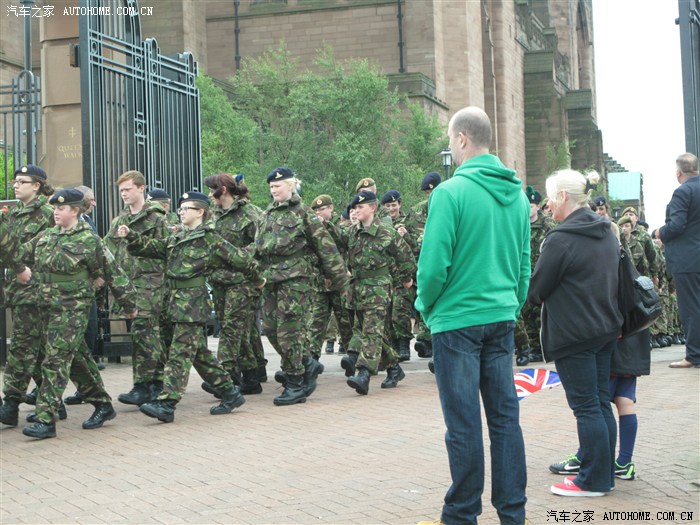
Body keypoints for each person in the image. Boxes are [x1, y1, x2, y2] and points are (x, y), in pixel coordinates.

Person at [415, 107, 530, 525]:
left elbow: (432, 267)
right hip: (500, 317)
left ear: (462, 139)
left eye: (450, 140)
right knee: (505, 420)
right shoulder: (517, 195)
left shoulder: (450, 193)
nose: (450, 146)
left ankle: (462, 515)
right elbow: (523, 265)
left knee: (463, 424)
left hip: (457, 320)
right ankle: (513, 514)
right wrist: (511, 305)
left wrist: (427, 307)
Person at [118, 191, 264, 423]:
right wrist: (131, 236)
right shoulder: (178, 236)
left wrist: (258, 279)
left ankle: (167, 403)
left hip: (192, 304)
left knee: (179, 354)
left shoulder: (210, 238)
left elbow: (240, 259)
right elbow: (154, 248)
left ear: (200, 212)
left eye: (187, 208)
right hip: (173, 301)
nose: (181, 212)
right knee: (198, 354)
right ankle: (229, 392)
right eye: (181, 208)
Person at [528, 169, 622, 497]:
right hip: (605, 329)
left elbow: (537, 291)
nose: (548, 204)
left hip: (574, 333)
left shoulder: (561, 239)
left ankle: (592, 481)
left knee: (586, 407)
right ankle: (603, 474)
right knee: (600, 403)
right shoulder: (606, 231)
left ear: (564, 196)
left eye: (551, 197)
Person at [20, 189, 138, 439]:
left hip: (72, 308)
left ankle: (45, 419)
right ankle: (103, 405)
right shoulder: (47, 236)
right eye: (54, 208)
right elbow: (20, 254)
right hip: (47, 307)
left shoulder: (89, 240)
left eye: (61, 209)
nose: (55, 212)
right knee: (77, 359)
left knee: (55, 361)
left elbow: (113, 272)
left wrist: (129, 305)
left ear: (75, 210)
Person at [256, 167, 348, 405]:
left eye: (277, 186)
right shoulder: (268, 213)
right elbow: (258, 247)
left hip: (296, 280)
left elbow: (326, 247)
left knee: (289, 333)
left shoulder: (304, 213)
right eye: (271, 187)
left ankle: (295, 383)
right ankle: (307, 362)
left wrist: (340, 281)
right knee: (270, 329)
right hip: (271, 279)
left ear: (290, 186)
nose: (273, 190)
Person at [104, 171, 169, 407]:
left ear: (141, 188)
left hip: (151, 283)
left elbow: (166, 248)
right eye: (121, 190)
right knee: (146, 335)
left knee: (144, 332)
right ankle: (156, 382)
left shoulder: (157, 218)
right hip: (128, 285)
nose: (124, 194)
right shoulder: (119, 221)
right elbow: (107, 249)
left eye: (128, 189)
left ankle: (143, 385)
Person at [0, 165, 56, 428]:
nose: (15, 185)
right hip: (16, 286)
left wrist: (17, 260)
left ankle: (11, 403)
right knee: (37, 347)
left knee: (23, 345)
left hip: (36, 287)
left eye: (22, 181)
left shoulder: (47, 213)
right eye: (15, 181)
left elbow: (41, 248)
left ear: (37, 185)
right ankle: (52, 400)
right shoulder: (14, 213)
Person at [342, 190, 413, 394]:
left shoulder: (386, 232)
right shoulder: (352, 233)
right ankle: (394, 369)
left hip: (378, 289)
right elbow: (334, 244)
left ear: (372, 208)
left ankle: (364, 373)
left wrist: (406, 279)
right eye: (354, 208)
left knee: (371, 331)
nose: (356, 211)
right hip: (358, 289)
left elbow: (405, 257)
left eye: (360, 207)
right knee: (374, 333)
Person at [203, 173, 266, 395]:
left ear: (223, 190)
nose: (209, 195)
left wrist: (239, 257)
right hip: (219, 281)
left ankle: (223, 377)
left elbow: (260, 246)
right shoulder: (213, 216)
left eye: (211, 190)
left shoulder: (250, 213)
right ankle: (251, 376)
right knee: (241, 329)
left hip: (243, 281)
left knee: (230, 329)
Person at [652, 152, 700, 368]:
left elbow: (677, 225)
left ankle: (694, 355)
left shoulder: (683, 192)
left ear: (679, 172)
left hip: (688, 260)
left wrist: (659, 232)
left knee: (691, 307)